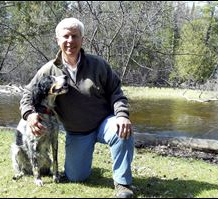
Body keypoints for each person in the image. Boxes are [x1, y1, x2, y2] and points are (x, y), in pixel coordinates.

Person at [20, 17, 134, 198]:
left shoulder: (98, 65)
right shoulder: (48, 70)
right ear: (58, 40)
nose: (70, 41)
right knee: (76, 177)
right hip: (77, 132)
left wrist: (121, 115)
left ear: (82, 39)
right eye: (65, 36)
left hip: (105, 124)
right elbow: (27, 95)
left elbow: (116, 92)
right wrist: (30, 114)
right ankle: (83, 165)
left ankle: (122, 184)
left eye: (75, 36)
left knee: (122, 129)